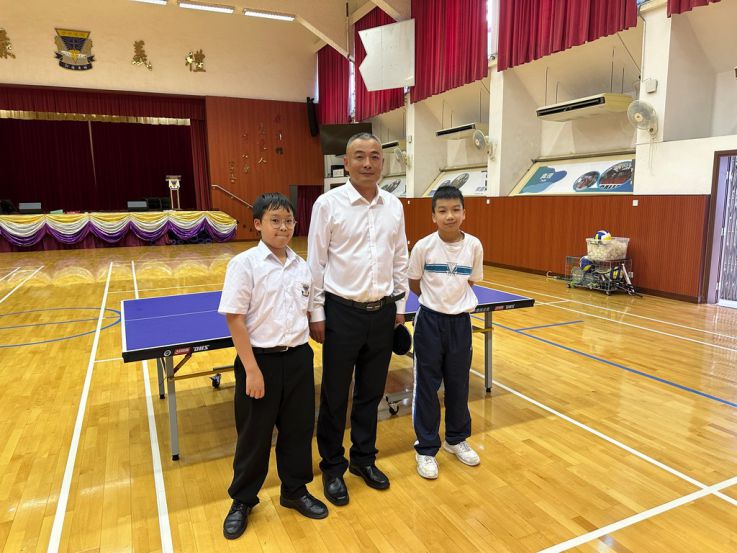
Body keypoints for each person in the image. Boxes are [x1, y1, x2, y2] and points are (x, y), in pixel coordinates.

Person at [218, 192, 328, 540]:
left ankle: (294, 490)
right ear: (258, 224)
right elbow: (235, 319)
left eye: (289, 221)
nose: (283, 227)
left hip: (298, 358)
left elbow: (308, 307)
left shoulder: (302, 266)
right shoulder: (244, 264)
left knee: (298, 431)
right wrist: (251, 369)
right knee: (254, 436)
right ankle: (242, 500)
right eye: (275, 221)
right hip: (259, 361)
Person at [308, 132, 409, 506]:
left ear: (382, 162)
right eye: (360, 156)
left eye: (375, 156)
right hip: (341, 314)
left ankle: (364, 459)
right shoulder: (328, 204)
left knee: (371, 393)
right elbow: (316, 262)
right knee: (335, 395)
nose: (368, 163)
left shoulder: (393, 206)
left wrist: (400, 305)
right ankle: (333, 467)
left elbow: (400, 257)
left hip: (383, 314)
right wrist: (316, 312)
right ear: (346, 163)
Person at [407, 185, 484, 480]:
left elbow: (470, 282)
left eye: (455, 210)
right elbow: (414, 283)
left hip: (460, 324)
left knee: (458, 384)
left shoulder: (474, 246)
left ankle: (455, 439)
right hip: (429, 323)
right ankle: (426, 448)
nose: (449, 216)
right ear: (433, 216)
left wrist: (453, 306)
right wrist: (436, 303)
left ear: (464, 213)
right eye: (442, 211)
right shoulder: (423, 247)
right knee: (427, 387)